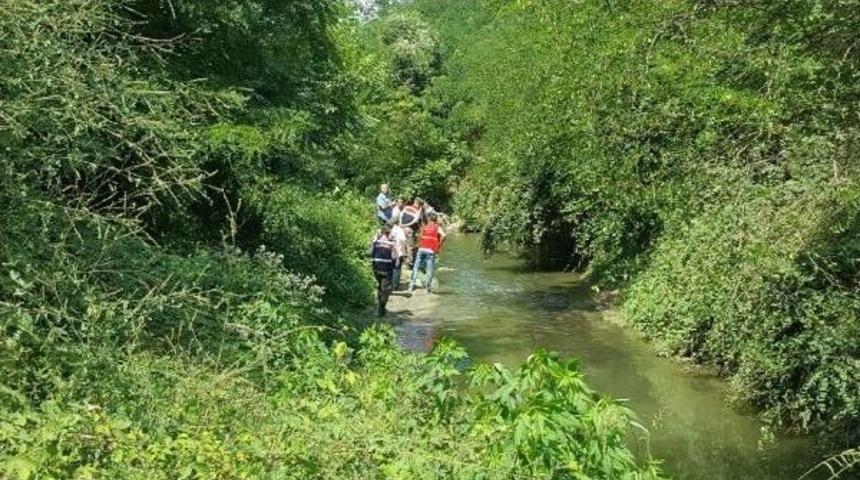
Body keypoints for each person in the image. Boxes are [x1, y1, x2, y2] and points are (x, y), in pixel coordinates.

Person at [409, 212, 446, 294]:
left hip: (421, 249)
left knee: (416, 267)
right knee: (429, 270)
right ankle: (427, 288)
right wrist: (439, 245)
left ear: (429, 219)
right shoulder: (437, 227)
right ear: (435, 219)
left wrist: (418, 245)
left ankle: (411, 286)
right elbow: (444, 235)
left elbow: (419, 236)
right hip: (431, 251)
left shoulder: (424, 227)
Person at [369, 225, 397, 317]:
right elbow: (394, 257)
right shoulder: (391, 244)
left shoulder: (376, 242)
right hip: (386, 268)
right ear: (388, 233)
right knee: (386, 289)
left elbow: (370, 253)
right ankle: (382, 308)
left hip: (376, 267)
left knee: (380, 286)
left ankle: (380, 305)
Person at [390, 220, 408, 290]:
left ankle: (390, 284)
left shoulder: (390, 229)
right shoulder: (400, 230)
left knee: (390, 268)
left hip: (390, 252)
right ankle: (395, 286)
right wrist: (405, 253)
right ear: (398, 223)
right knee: (397, 269)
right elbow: (403, 241)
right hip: (398, 253)